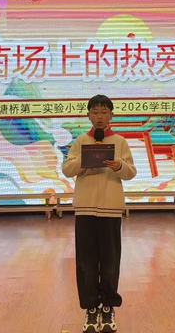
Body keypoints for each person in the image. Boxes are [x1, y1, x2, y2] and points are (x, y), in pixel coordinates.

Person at [62, 94, 137, 333]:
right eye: (95, 112)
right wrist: (85, 161)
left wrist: (119, 166)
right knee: (86, 262)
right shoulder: (81, 141)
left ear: (111, 115)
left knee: (110, 261)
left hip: (111, 209)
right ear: (89, 116)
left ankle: (108, 306)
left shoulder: (120, 142)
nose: (100, 117)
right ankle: (91, 308)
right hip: (85, 209)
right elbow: (67, 169)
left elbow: (131, 172)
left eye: (104, 112)